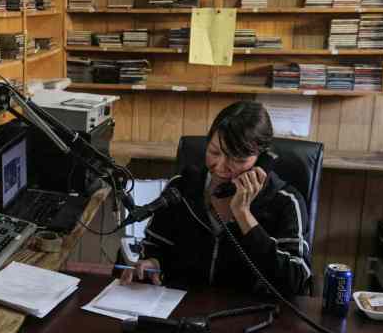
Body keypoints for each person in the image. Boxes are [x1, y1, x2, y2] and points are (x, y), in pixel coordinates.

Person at [120, 101, 312, 297]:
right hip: (180, 309)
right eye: (214, 152)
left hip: (250, 316)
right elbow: (155, 247)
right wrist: (152, 263)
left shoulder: (286, 202)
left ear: (262, 160)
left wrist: (244, 215)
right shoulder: (182, 188)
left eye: (237, 159)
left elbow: (294, 282)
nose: (221, 166)